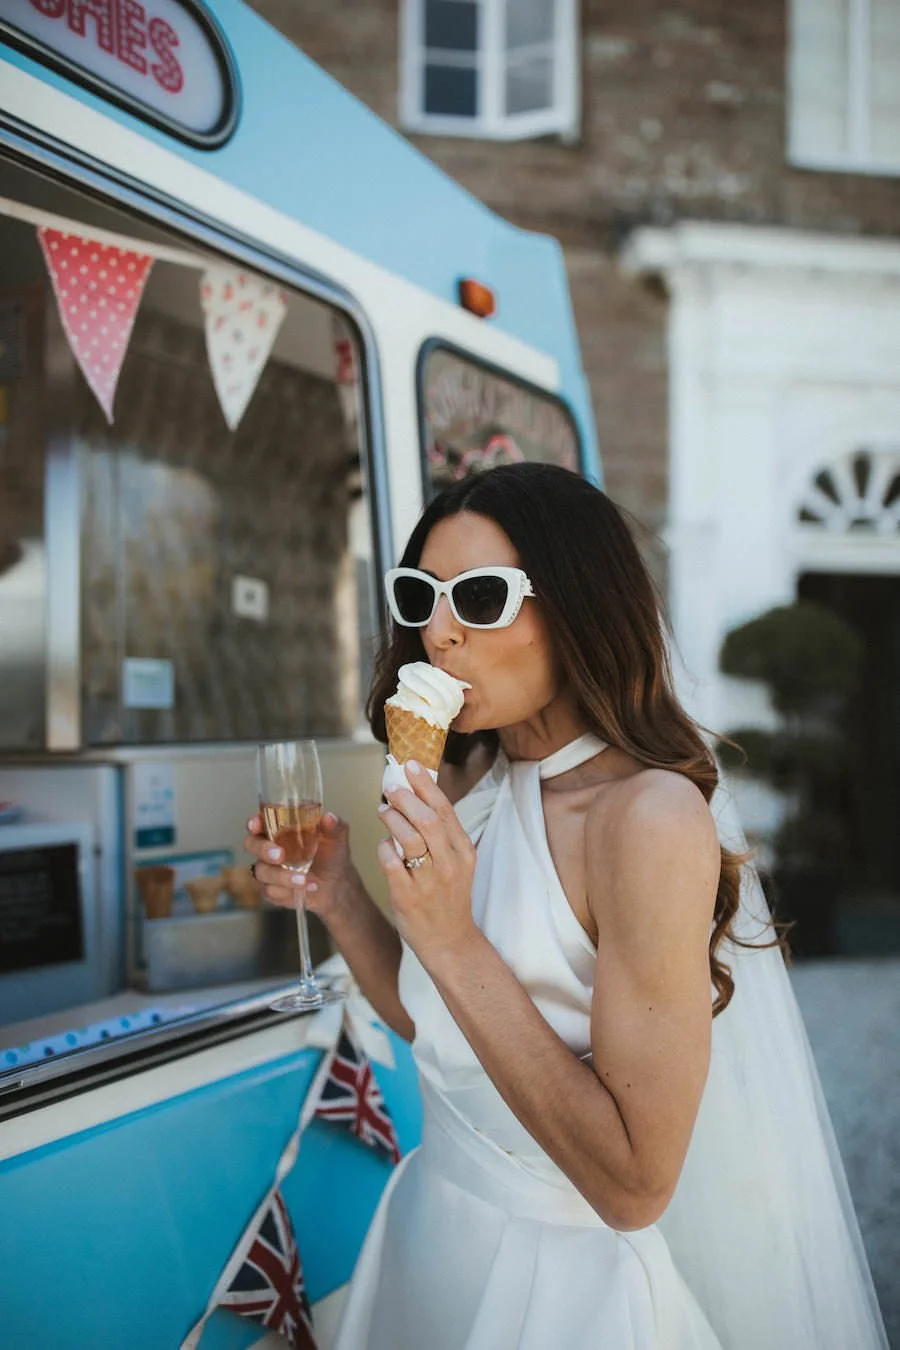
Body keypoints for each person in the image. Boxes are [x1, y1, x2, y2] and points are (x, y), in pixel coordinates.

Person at [245, 463, 887, 1350]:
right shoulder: (465, 778)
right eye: (420, 594)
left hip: (560, 1291)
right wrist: (340, 893)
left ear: (580, 606)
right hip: (433, 1235)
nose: (438, 631)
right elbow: (443, 1029)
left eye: (478, 596)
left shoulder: (647, 819)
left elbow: (635, 1184)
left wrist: (453, 938)